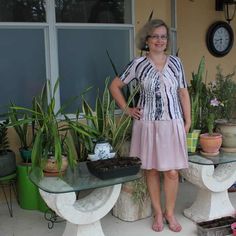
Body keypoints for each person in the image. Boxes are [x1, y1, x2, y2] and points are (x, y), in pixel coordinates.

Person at [109, 19, 191, 232]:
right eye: (155, 36)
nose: (159, 40)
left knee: (172, 172)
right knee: (152, 170)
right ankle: (157, 212)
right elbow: (115, 86)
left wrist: (188, 120)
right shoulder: (138, 64)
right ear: (147, 39)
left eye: (163, 36)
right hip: (148, 124)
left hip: (172, 123)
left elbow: (183, 92)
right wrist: (127, 109)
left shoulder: (176, 63)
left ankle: (170, 213)